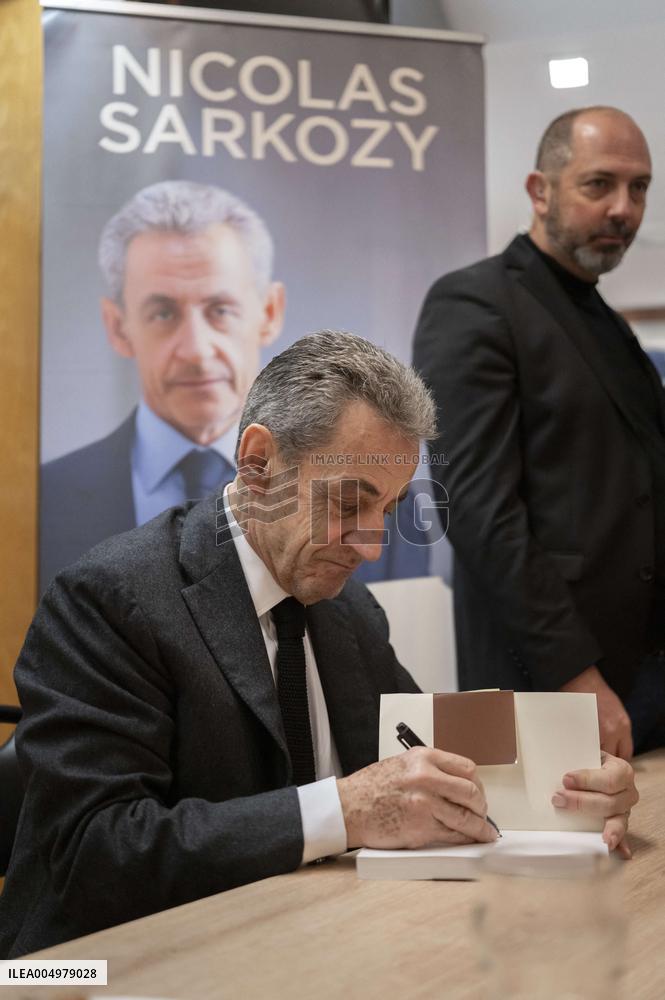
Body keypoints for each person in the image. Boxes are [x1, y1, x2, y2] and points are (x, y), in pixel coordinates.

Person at [0, 332, 637, 957]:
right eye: (348, 503)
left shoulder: (349, 608)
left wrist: (571, 788)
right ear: (258, 464)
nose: (370, 547)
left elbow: (429, 758)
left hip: (293, 940)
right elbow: (94, 854)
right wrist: (344, 810)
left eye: (385, 511)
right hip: (86, 969)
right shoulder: (110, 599)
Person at [413, 106, 665, 759]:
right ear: (539, 189)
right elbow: (476, 509)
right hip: (554, 680)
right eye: (598, 184)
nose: (622, 208)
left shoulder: (601, 317)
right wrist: (573, 675)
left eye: (638, 188)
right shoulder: (473, 304)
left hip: (643, 671)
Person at [39, 180, 428, 590]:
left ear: (269, 312)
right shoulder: (46, 502)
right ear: (118, 327)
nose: (196, 350)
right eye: (163, 313)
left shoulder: (392, 504)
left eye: (221, 310)